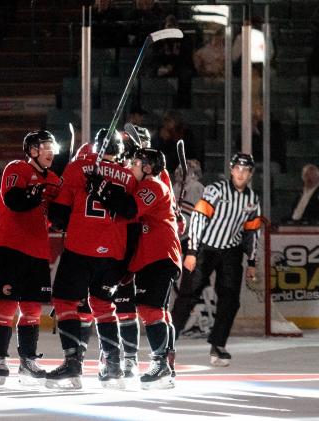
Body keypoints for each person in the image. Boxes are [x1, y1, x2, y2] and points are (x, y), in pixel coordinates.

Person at [45, 129, 137, 390]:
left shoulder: (77, 168)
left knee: (65, 301)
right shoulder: (129, 177)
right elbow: (132, 217)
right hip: (114, 252)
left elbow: (59, 216)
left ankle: (72, 364)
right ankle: (114, 366)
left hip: (80, 248)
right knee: (103, 305)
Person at [89, 148, 181, 389]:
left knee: (150, 309)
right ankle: (164, 365)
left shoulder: (152, 186)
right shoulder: (149, 185)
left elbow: (129, 208)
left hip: (159, 255)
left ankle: (161, 365)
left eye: (136, 163)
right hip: (152, 256)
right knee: (154, 310)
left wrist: (103, 188)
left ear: (148, 168)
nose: (131, 167)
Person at [171, 153, 261, 367]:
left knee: (230, 299)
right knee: (187, 295)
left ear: (250, 174)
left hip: (231, 251)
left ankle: (218, 345)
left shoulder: (252, 199)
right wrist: (192, 251)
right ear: (231, 170)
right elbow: (198, 218)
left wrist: (251, 262)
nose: (241, 173)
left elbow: (252, 232)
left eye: (245, 170)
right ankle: (167, 341)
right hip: (206, 248)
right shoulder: (216, 190)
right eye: (237, 169)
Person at [0, 130, 62, 386]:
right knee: (6, 308)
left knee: (33, 310)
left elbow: (58, 219)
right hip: (9, 248)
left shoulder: (54, 179)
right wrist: (40, 191)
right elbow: (14, 201)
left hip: (38, 251)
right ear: (32, 150)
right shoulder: (17, 168)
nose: (50, 152)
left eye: (52, 147)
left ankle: (28, 361)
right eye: (45, 147)